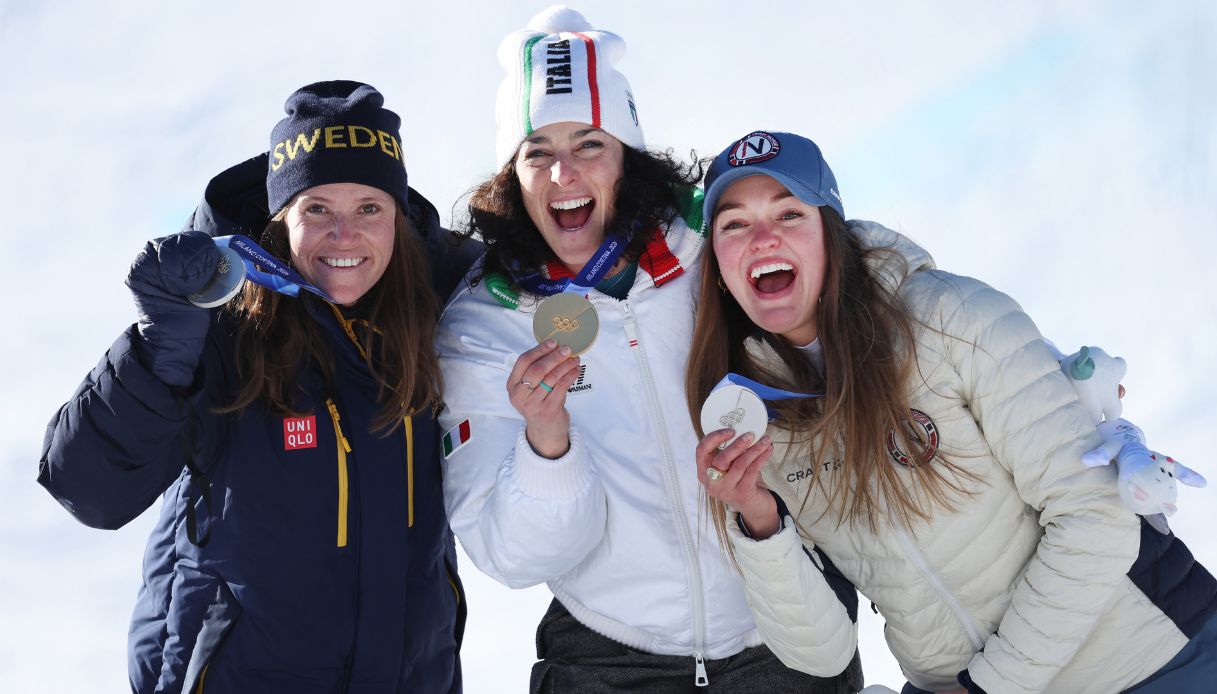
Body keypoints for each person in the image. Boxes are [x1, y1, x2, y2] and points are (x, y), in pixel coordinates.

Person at [687, 130, 1217, 694]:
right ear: (719, 266)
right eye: (735, 224)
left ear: (830, 235)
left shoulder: (953, 318)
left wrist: (988, 685)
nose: (763, 238)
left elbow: (1096, 522)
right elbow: (823, 652)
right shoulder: (752, 414)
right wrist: (758, 519)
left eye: (789, 214)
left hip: (1150, 663)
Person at [435, 7, 862, 693]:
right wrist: (547, 443)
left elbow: (859, 270)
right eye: (536, 150)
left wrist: (1022, 366)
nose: (563, 173)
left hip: (785, 622)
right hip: (607, 657)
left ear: (628, 153)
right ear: (509, 177)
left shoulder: (715, 241)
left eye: (589, 144)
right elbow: (513, 558)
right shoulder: (483, 324)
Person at [38, 81, 468, 693]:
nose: (344, 236)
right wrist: (157, 351)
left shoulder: (439, 310)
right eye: (316, 208)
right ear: (279, 216)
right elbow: (89, 488)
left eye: (369, 208)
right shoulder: (218, 321)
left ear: (398, 217)